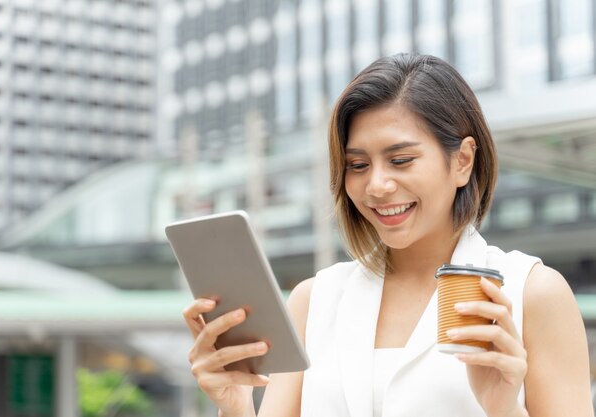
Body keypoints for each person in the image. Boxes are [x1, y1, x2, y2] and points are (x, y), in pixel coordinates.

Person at [182, 53, 594, 417]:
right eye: (357, 165)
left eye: (400, 159)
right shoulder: (315, 301)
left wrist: (504, 410)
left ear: (463, 160)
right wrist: (234, 408)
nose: (376, 185)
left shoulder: (532, 294)